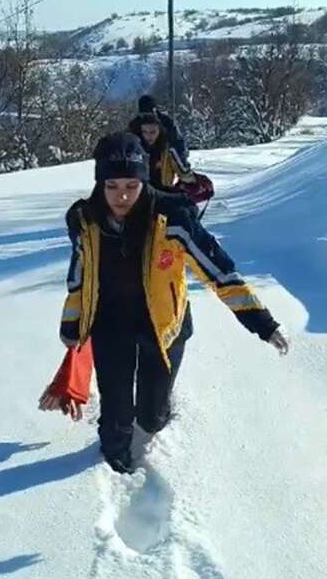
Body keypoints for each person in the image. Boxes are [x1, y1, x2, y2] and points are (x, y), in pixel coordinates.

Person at [46, 131, 289, 474]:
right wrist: (72, 325)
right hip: (109, 326)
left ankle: (156, 416)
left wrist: (263, 323)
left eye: (132, 184)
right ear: (99, 184)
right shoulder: (85, 221)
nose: (123, 196)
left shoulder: (172, 218)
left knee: (151, 415)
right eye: (112, 186)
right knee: (116, 409)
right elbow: (78, 279)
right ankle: (115, 457)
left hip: (162, 329)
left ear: (144, 180)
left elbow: (219, 272)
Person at [129, 94, 189, 170]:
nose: (147, 118)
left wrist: (182, 166)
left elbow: (178, 145)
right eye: (144, 115)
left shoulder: (167, 123)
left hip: (164, 162)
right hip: (143, 164)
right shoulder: (134, 125)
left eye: (150, 114)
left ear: (155, 111)